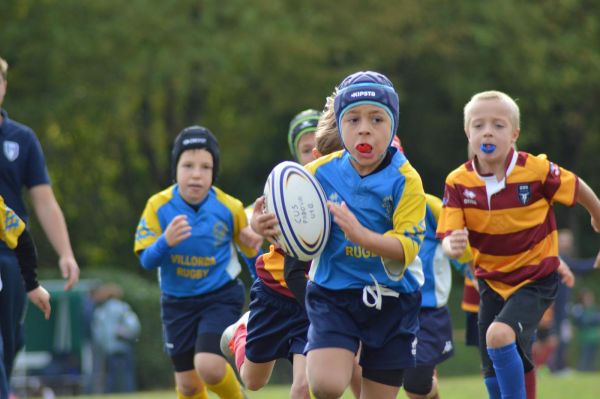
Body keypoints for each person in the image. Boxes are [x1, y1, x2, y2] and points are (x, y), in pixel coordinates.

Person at [437, 90, 600, 399]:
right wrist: (452, 247)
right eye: (478, 125)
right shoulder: (457, 182)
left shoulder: (535, 170)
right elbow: (449, 239)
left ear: (514, 134)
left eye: (498, 125)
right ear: (467, 133)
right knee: (491, 371)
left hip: (536, 278)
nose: (487, 131)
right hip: (491, 281)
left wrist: (597, 216)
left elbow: (577, 187)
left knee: (498, 335)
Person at [275, 71, 426, 399]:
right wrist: (269, 227)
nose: (364, 129)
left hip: (392, 300)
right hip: (334, 295)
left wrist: (362, 235)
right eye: (353, 119)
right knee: (326, 384)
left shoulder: (406, 179)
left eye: (377, 119)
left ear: (393, 126)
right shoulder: (318, 172)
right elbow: (290, 226)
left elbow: (407, 248)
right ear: (339, 126)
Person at [134, 125, 261, 399]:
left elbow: (251, 254)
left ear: (214, 172)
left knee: (210, 367)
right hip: (176, 303)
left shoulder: (230, 207)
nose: (196, 174)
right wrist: (165, 241)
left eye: (205, 166)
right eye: (187, 165)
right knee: (189, 387)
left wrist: (260, 284)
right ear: (175, 168)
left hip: (219, 297)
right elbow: (146, 260)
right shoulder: (158, 206)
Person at [219, 108, 321, 399]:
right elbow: (255, 214)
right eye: (305, 149)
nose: (313, 154)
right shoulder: (287, 186)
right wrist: (255, 225)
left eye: (320, 147)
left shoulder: (337, 180)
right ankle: (243, 330)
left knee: (304, 385)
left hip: (311, 296)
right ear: (295, 155)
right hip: (274, 293)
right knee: (253, 381)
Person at [0, 55, 79, 399]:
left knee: (10, 340)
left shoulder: (23, 139)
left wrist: (65, 252)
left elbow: (44, 201)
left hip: (12, 253)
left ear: (3, 87)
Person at [403, 192, 473, 399]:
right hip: (389, 308)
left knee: (415, 386)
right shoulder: (374, 203)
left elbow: (454, 246)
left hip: (428, 313)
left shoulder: (430, 207)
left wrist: (473, 273)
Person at [90, 283, 141, 393]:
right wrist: (126, 333)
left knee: (110, 378)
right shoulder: (123, 308)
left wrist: (104, 345)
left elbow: (97, 333)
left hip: (107, 349)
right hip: (123, 346)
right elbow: (134, 326)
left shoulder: (100, 311)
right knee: (126, 376)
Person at [571, 289, 600, 371]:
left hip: (595, 338)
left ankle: (590, 373)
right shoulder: (579, 309)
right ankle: (582, 372)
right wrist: (592, 320)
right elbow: (582, 321)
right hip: (585, 338)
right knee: (584, 358)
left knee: (593, 359)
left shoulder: (594, 308)